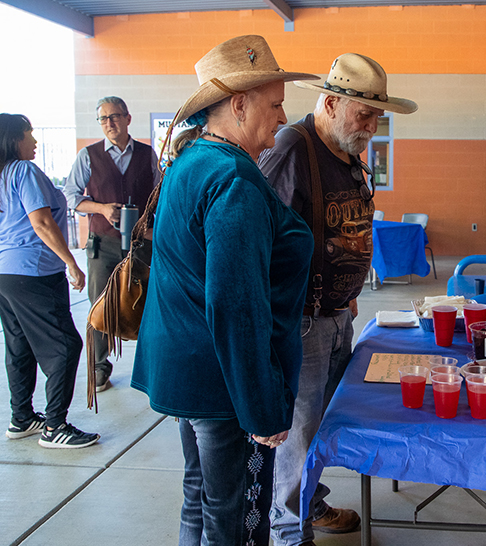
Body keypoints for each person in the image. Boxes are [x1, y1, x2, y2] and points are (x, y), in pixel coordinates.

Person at [130, 35, 317, 545]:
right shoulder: (234, 179)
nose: (283, 118)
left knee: (201, 498)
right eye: (276, 104)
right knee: (232, 515)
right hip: (223, 384)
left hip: (187, 369)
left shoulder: (191, 163)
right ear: (239, 104)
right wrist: (261, 407)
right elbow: (236, 305)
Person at [257, 53, 417, 546]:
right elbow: (262, 242)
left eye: (376, 116)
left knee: (323, 422)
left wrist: (345, 293)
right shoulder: (291, 149)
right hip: (301, 321)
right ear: (328, 103)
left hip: (337, 313)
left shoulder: (346, 153)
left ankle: (312, 501)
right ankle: (288, 531)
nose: (371, 126)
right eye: (363, 114)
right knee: (299, 432)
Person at [0, 114, 100, 449]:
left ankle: (22, 418)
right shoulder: (22, 171)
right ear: (14, 139)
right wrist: (70, 262)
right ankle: (55, 425)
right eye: (29, 133)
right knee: (65, 345)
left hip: (7, 273)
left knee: (20, 344)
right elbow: (41, 222)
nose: (34, 140)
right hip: (34, 271)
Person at [64, 96, 161, 393]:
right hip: (102, 243)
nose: (110, 123)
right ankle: (98, 367)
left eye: (115, 116)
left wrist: (151, 225)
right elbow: (71, 195)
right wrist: (102, 209)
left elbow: (161, 193)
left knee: (147, 302)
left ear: (128, 118)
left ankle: (153, 364)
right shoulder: (88, 155)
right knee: (101, 305)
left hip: (141, 243)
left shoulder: (147, 154)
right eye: (103, 119)